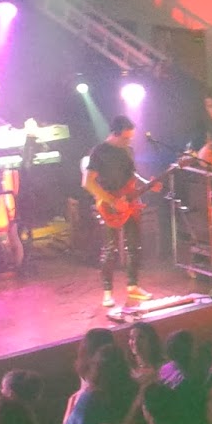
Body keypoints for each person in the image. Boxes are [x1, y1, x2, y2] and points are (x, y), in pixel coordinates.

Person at [84, 114, 151, 309]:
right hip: (109, 205)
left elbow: (133, 175)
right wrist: (113, 201)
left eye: (130, 138)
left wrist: (148, 184)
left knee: (134, 246)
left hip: (129, 202)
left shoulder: (127, 151)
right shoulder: (99, 152)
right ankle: (107, 292)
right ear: (114, 133)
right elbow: (88, 183)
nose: (128, 141)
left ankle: (133, 286)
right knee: (110, 249)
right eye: (125, 138)